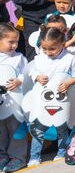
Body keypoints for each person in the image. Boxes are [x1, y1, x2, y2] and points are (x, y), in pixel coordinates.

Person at [27, 27, 75, 167]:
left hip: (62, 101)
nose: (48, 52)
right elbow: (31, 70)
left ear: (62, 43)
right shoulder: (39, 58)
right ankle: (34, 156)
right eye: (44, 48)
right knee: (38, 130)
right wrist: (36, 76)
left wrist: (69, 82)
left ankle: (61, 152)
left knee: (62, 129)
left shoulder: (69, 58)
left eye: (52, 49)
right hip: (42, 101)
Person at [0, 24, 27, 172]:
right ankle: (2, 155)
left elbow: (27, 72)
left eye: (16, 41)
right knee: (1, 130)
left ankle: (18, 157)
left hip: (15, 103)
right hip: (1, 103)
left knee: (16, 129)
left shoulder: (18, 58)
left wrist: (19, 80)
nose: (15, 45)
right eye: (10, 42)